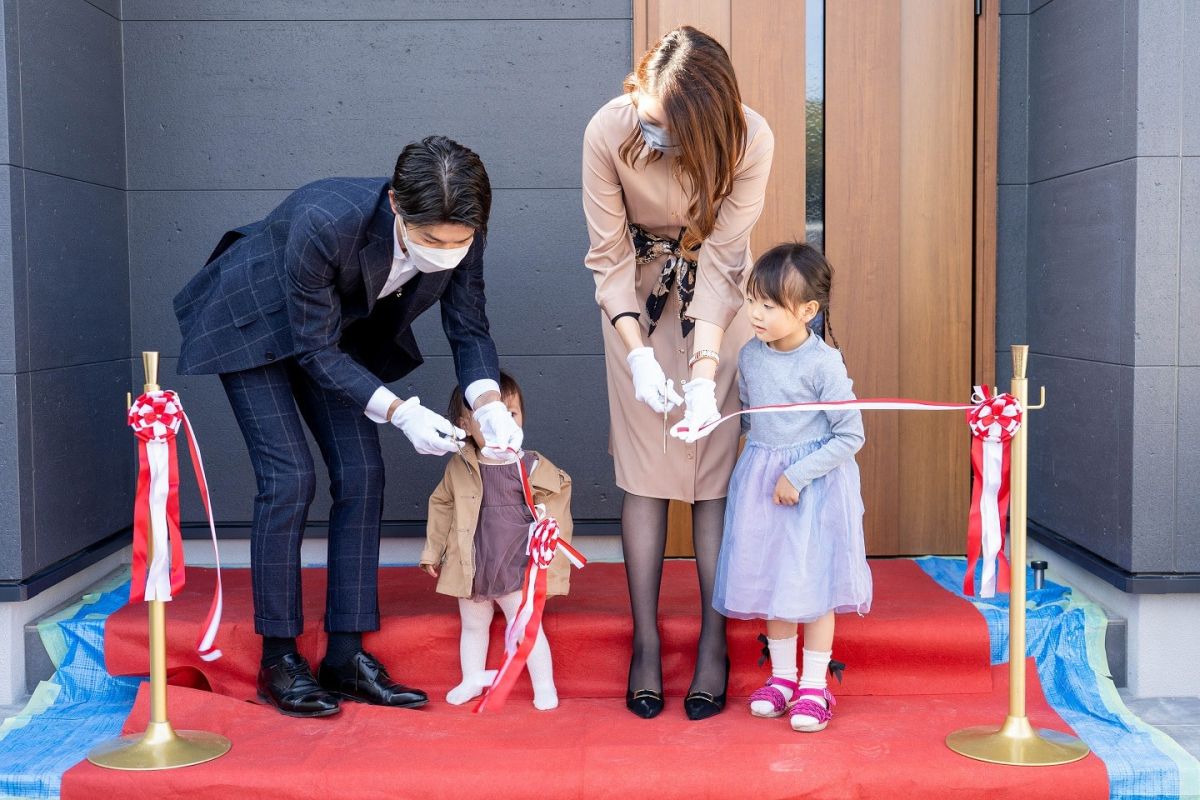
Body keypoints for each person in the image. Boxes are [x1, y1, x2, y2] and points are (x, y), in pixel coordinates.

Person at [173, 136, 523, 718]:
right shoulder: (323, 219)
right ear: (394, 205)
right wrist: (401, 410)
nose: (447, 252)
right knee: (288, 479)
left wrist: (486, 402)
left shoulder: (464, 231)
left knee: (363, 472)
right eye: (431, 241)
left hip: (334, 336)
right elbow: (312, 350)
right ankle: (279, 659)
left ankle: (345, 655)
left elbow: (469, 328)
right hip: (255, 320)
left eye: (459, 243)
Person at [581, 25, 774, 720]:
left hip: (717, 312)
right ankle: (644, 638)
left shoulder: (751, 139)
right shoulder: (610, 128)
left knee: (712, 475)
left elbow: (725, 263)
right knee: (644, 472)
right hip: (633, 303)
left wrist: (702, 371)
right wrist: (636, 352)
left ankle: (714, 642)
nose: (651, 129)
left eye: (666, 124)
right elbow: (606, 257)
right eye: (648, 113)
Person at [712, 242, 871, 733]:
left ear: (807, 311)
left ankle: (814, 685)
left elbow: (851, 434)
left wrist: (796, 476)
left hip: (813, 490)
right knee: (772, 582)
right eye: (753, 300)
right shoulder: (750, 356)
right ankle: (781, 678)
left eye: (770, 305)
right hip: (761, 484)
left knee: (814, 586)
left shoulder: (823, 363)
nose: (756, 314)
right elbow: (747, 418)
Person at [420, 372, 573, 711]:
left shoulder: (529, 464)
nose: (500, 423)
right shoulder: (460, 466)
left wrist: (548, 523)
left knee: (526, 628)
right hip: (472, 562)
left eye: (512, 414)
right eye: (487, 415)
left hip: (515, 562)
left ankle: (544, 685)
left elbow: (560, 489)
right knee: (473, 626)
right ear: (464, 423)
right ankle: (471, 679)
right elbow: (442, 505)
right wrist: (433, 550)